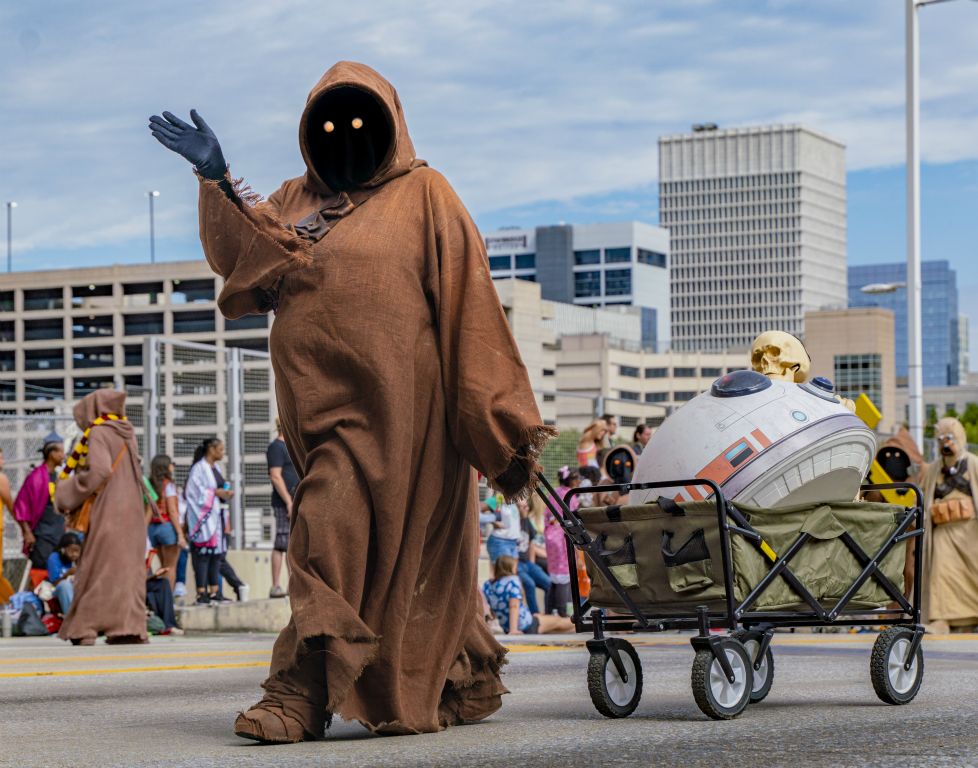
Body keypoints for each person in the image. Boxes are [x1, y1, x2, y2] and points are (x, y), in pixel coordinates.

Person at [151, 60, 554, 742]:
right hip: (324, 419)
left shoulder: (426, 194)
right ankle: (372, 682)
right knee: (335, 526)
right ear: (310, 130)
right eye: (330, 123)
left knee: (379, 548)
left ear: (392, 125)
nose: (346, 135)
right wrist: (215, 176)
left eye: (363, 121)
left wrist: (498, 422)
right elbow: (242, 259)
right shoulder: (294, 199)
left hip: (408, 425)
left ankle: (303, 691)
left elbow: (470, 305)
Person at [55, 390, 147, 646]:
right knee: (127, 573)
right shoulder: (127, 431)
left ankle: (85, 628)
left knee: (96, 568)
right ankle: (127, 627)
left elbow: (99, 471)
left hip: (109, 510)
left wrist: (66, 491)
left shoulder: (98, 432)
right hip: (133, 513)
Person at [918, 417, 978, 633]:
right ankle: (941, 619)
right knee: (941, 573)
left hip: (970, 531)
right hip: (943, 531)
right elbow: (923, 495)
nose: (946, 442)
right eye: (941, 438)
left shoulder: (973, 463)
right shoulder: (934, 469)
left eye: (950, 437)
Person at [184, 438, 231, 605]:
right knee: (203, 554)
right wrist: (215, 493)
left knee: (216, 555)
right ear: (211, 449)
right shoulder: (198, 469)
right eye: (221, 449)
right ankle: (201, 593)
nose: (223, 453)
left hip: (217, 518)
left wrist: (224, 494)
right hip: (204, 520)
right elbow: (193, 492)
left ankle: (214, 591)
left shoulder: (216, 468)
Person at [482, 556, 573, 635]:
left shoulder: (488, 585)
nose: (516, 569)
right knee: (559, 622)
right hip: (525, 625)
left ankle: (577, 627)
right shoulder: (512, 581)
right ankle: (579, 623)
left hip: (508, 627)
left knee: (554, 627)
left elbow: (490, 608)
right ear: (509, 567)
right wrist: (513, 630)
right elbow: (514, 606)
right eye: (515, 566)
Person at [14, 433, 65, 569]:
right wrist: (27, 532)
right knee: (42, 574)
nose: (63, 456)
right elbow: (21, 506)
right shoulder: (36, 478)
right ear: (51, 453)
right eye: (60, 452)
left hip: (58, 535)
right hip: (43, 538)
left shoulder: (58, 477)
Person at [267, 422, 298, 598]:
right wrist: (288, 502)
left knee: (292, 543)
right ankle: (276, 585)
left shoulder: (291, 447)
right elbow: (275, 476)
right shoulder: (276, 447)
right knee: (281, 542)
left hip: (294, 500)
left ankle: (291, 585)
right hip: (284, 502)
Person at [147, 455, 186, 591]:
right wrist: (180, 534)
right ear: (166, 467)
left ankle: (161, 597)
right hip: (167, 527)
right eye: (171, 464)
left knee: (162, 566)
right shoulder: (168, 485)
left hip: (152, 528)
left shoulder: (149, 484)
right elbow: (172, 511)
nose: (172, 466)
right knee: (170, 567)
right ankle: (168, 598)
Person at [545, 467, 580, 616]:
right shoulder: (570, 495)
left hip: (550, 536)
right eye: (576, 478)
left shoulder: (553, 492)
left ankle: (550, 611)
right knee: (564, 576)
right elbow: (573, 519)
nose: (578, 481)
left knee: (555, 575)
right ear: (570, 480)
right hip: (562, 537)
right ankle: (563, 612)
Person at [211, 458, 245, 603]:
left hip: (220, 524)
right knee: (215, 559)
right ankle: (221, 591)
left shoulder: (216, 470)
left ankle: (235, 586)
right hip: (212, 525)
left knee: (218, 559)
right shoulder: (202, 473)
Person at [516, 499, 549, 615]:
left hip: (527, 563)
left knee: (549, 583)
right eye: (522, 507)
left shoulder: (527, 521)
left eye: (526, 507)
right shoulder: (512, 523)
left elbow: (531, 544)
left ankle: (548, 613)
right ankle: (535, 615)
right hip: (516, 563)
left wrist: (532, 564)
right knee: (530, 584)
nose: (526, 509)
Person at [46, 532, 82, 617]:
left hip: (74, 591)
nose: (74, 554)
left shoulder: (78, 560)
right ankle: (71, 617)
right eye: (71, 550)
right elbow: (55, 584)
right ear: (63, 549)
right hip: (57, 592)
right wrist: (67, 574)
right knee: (64, 585)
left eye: (77, 551)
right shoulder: (54, 558)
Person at [486, 498, 521, 564]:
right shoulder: (498, 498)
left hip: (513, 542)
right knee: (504, 569)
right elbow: (480, 509)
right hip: (500, 541)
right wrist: (493, 521)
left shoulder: (513, 499)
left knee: (512, 569)